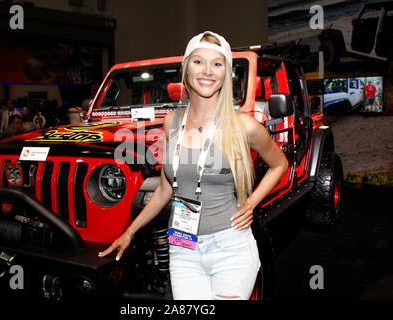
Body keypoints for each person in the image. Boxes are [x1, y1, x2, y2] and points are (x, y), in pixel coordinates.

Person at [99, 31, 288, 300]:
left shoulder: (243, 125)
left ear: (226, 72)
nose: (208, 71)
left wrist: (250, 203)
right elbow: (166, 188)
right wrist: (129, 232)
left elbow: (279, 164)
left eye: (217, 63)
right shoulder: (172, 122)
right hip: (183, 250)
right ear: (186, 68)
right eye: (199, 61)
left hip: (230, 249)